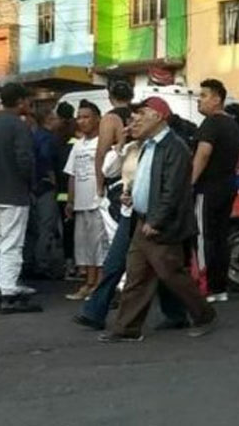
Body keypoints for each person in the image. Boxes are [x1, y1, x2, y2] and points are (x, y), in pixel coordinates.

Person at [100, 97, 218, 343]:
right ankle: (126, 329)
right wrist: (132, 196)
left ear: (158, 116)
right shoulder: (148, 145)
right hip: (142, 219)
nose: (136, 119)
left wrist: (156, 220)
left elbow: (172, 191)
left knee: (171, 274)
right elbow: (147, 181)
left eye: (142, 113)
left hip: (160, 224)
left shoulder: (174, 148)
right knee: (136, 277)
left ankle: (204, 314)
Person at [74, 109, 187, 331]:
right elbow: (108, 169)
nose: (133, 125)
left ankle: (181, 313)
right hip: (129, 214)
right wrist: (122, 144)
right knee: (115, 263)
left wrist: (155, 216)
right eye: (131, 122)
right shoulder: (132, 149)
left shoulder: (160, 149)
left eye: (138, 121)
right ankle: (95, 312)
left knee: (161, 268)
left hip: (148, 214)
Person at [0, 83, 40, 314]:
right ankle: (9, 293)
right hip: (12, 193)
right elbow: (25, 160)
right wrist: (31, 185)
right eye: (27, 102)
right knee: (11, 244)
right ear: (20, 101)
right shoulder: (18, 126)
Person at [192, 79, 239, 303]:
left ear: (217, 99)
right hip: (227, 186)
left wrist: (190, 182)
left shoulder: (211, 124)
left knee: (204, 238)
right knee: (221, 237)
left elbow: (203, 154)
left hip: (208, 188)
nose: (199, 100)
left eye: (203, 96)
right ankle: (220, 287)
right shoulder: (233, 125)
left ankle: (207, 286)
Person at [64, 101, 108, 301]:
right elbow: (72, 174)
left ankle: (99, 282)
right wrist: (70, 201)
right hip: (81, 203)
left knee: (99, 244)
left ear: (97, 118)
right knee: (84, 245)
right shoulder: (78, 144)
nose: (81, 121)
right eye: (79, 117)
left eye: (86, 116)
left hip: (97, 201)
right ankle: (88, 283)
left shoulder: (104, 142)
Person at [26, 104, 64, 280]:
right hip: (46, 187)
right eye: (56, 117)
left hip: (35, 187)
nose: (59, 121)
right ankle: (42, 264)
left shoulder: (35, 136)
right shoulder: (48, 138)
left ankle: (31, 261)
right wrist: (54, 181)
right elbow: (46, 160)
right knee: (46, 227)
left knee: (35, 228)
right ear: (49, 120)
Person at [95, 80, 133, 198]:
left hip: (118, 180)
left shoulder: (110, 118)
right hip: (138, 174)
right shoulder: (138, 115)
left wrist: (99, 186)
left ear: (110, 98)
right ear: (131, 96)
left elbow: (101, 153)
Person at [54, 101, 78, 278]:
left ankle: (69, 263)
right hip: (79, 192)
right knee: (80, 231)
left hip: (61, 192)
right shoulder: (77, 139)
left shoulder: (55, 137)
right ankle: (79, 264)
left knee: (67, 230)